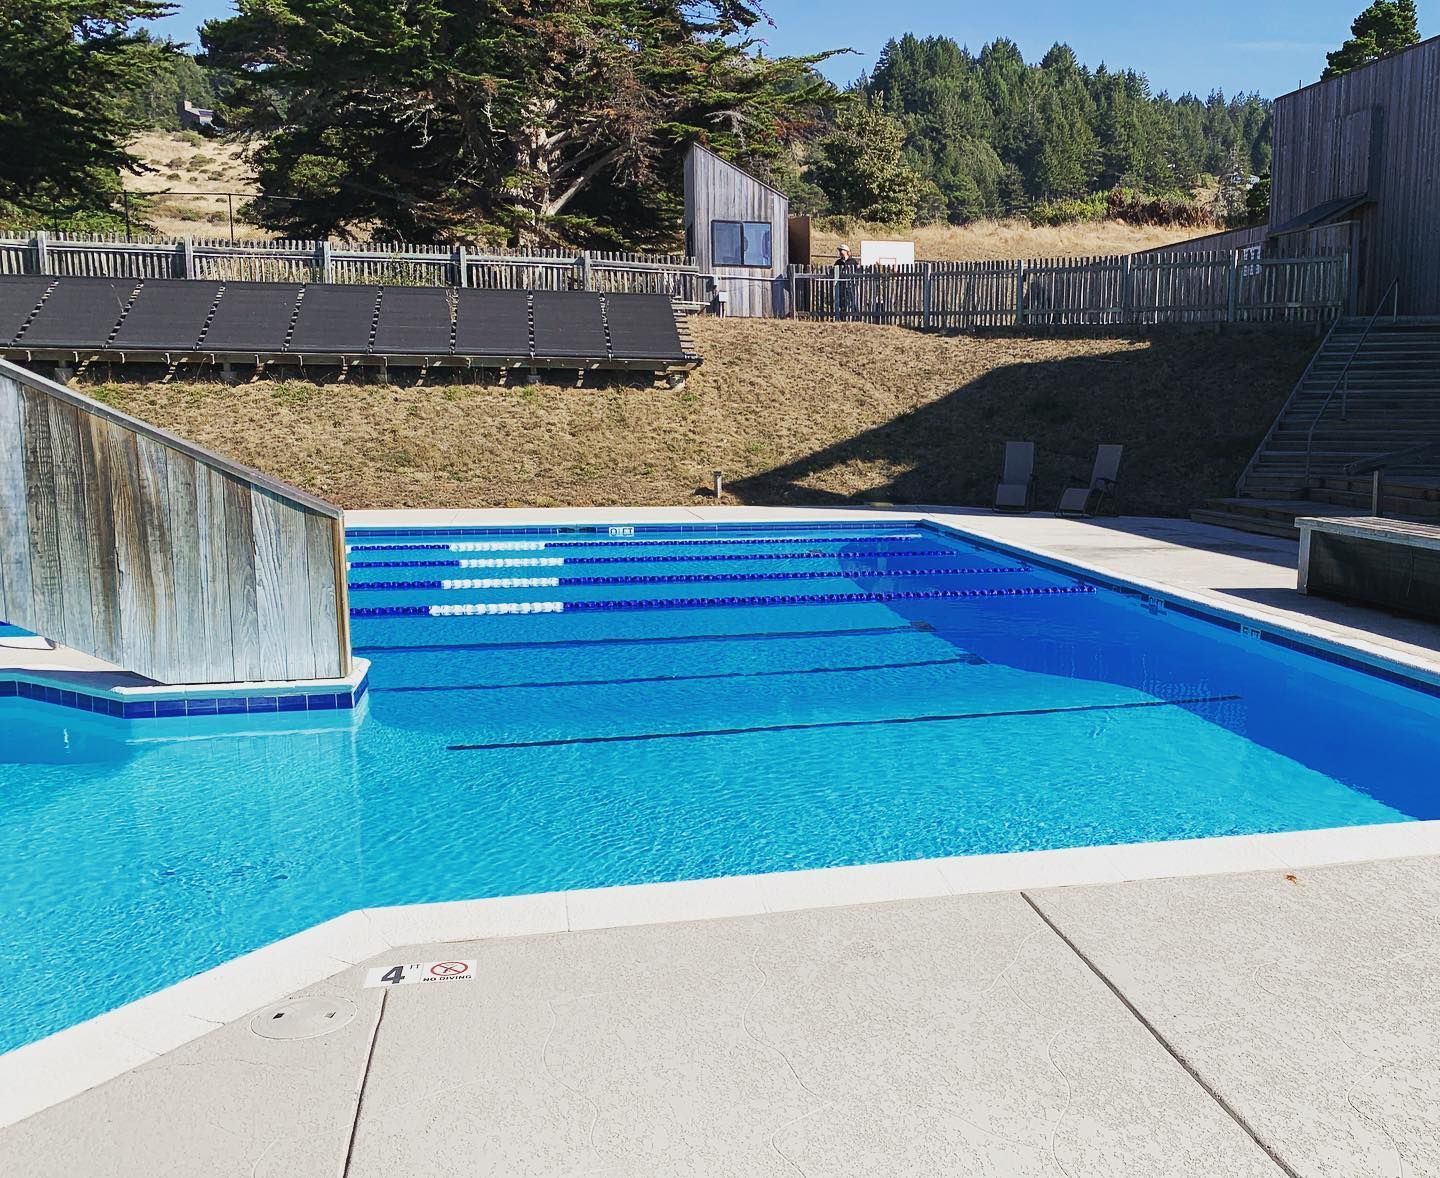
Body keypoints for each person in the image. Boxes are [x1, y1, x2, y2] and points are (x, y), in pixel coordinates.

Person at [834, 243, 860, 320]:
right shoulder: (838, 262)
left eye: (842, 250)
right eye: (840, 250)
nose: (840, 251)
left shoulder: (853, 261)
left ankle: (856, 317)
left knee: (853, 301)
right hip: (841, 285)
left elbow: (857, 272)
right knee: (842, 301)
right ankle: (843, 317)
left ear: (846, 251)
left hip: (851, 285)